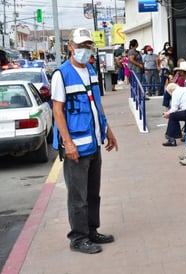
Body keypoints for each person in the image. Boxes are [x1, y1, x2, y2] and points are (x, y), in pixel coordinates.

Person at [51, 28, 118, 254]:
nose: (83, 50)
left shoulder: (90, 69)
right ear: (70, 46)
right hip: (76, 146)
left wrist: (107, 129)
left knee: (92, 193)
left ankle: (91, 230)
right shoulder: (61, 74)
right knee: (77, 196)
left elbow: (95, 104)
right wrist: (68, 143)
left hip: (93, 143)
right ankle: (78, 238)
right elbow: (58, 111)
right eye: (79, 46)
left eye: (87, 46)